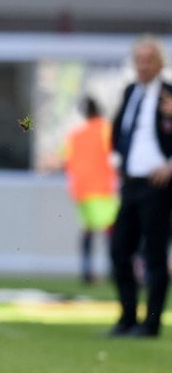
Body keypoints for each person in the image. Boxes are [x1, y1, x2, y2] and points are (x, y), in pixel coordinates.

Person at [109, 35, 172, 338]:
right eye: (139, 61)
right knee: (119, 249)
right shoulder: (131, 91)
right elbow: (120, 130)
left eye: (148, 61)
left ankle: (151, 323)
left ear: (160, 63)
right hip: (130, 183)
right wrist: (117, 161)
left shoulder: (169, 93)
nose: (143, 66)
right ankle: (128, 318)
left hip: (157, 185)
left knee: (154, 254)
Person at [63, 96, 119, 285]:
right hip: (102, 188)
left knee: (87, 230)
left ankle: (87, 272)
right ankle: (114, 271)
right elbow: (115, 154)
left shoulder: (74, 134)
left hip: (80, 190)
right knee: (111, 231)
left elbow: (67, 160)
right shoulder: (106, 130)